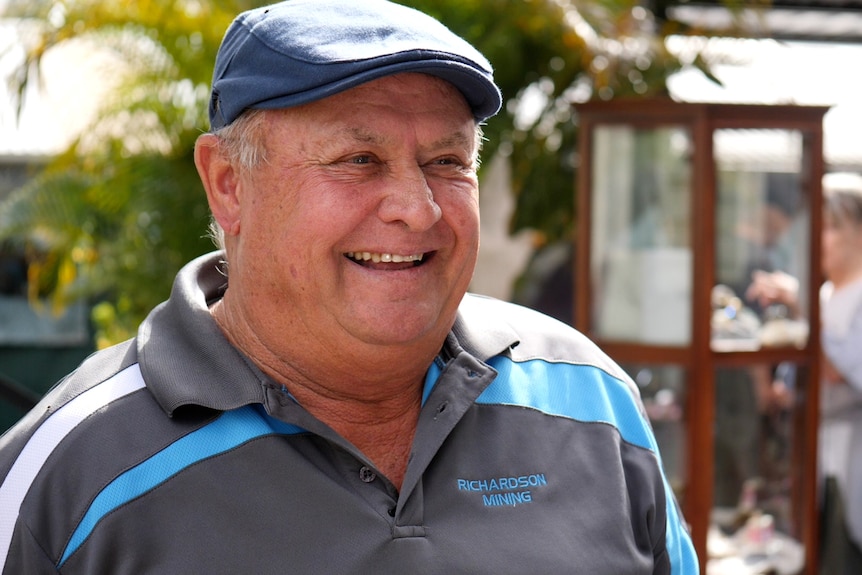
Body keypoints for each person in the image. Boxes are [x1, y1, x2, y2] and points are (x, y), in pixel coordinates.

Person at [0, 1, 698, 573]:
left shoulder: (589, 400)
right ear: (229, 184)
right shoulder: (72, 471)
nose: (418, 207)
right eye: (359, 159)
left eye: (447, 160)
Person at [817, 173, 862, 573]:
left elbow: (841, 374)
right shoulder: (822, 294)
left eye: (831, 226)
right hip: (815, 465)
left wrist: (802, 322)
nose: (819, 237)